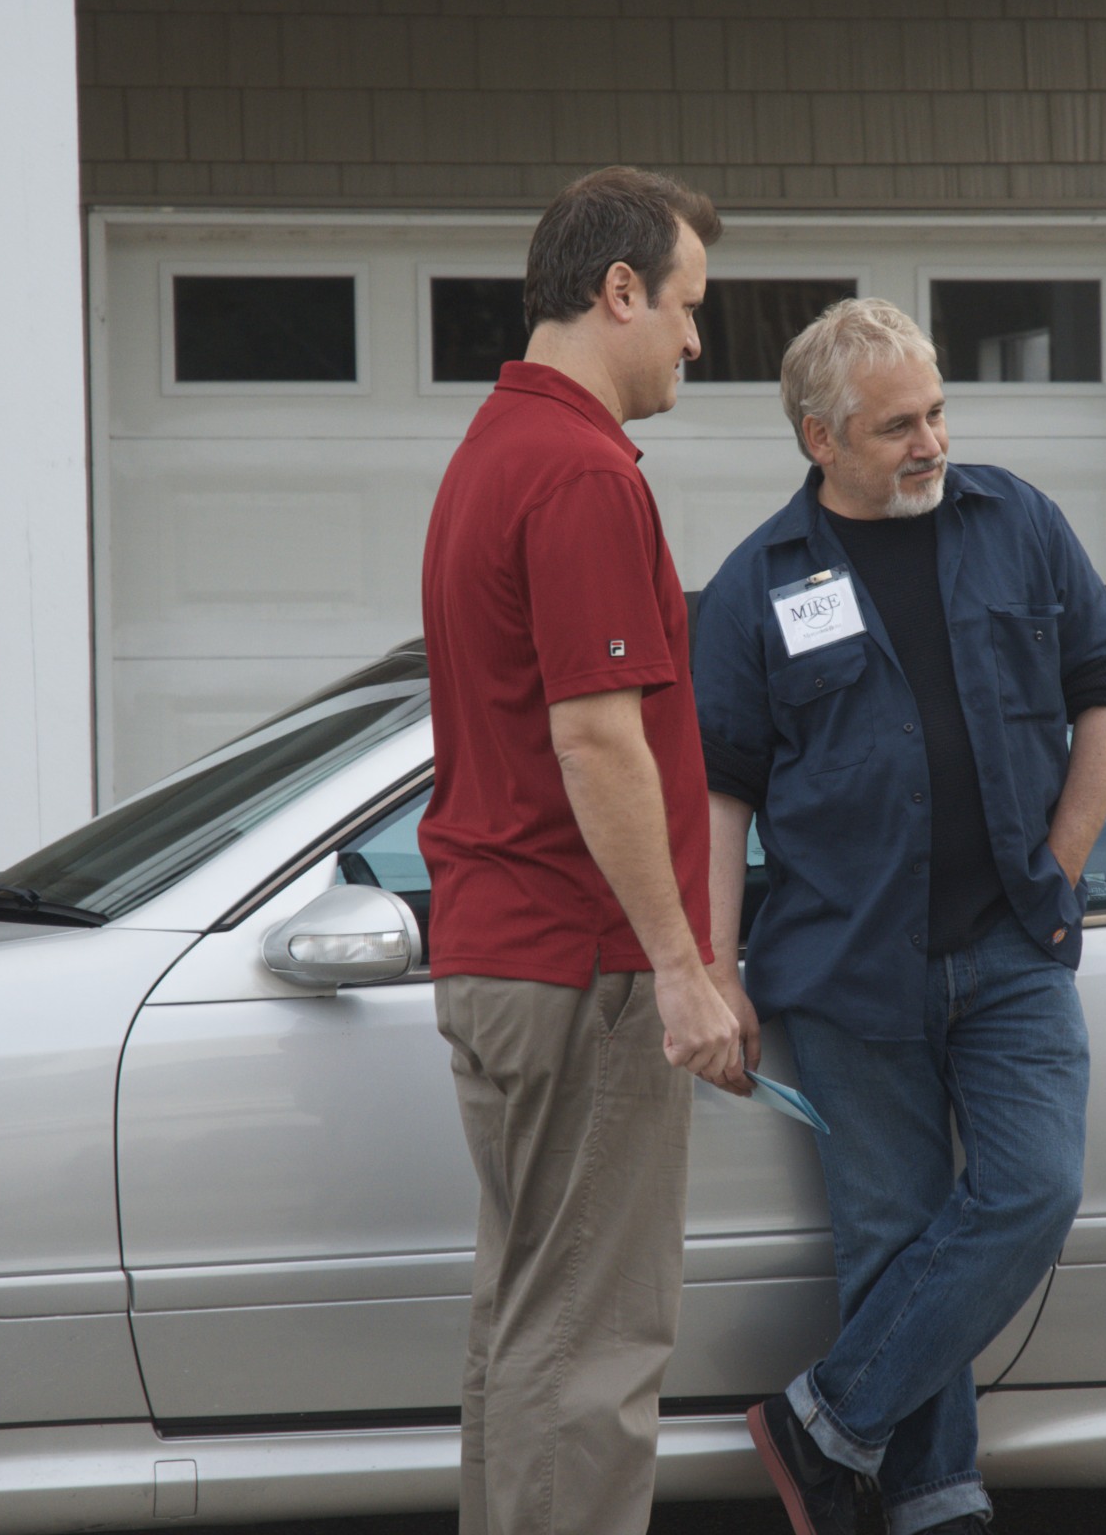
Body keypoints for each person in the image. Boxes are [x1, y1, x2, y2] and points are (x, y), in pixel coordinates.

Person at [692, 298, 1106, 1535]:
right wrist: (711, 964)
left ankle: (823, 1422)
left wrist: (1057, 865)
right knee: (891, 1240)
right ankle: (935, 1501)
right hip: (846, 963)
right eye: (898, 426)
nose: (930, 443)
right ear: (818, 438)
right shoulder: (757, 586)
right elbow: (722, 790)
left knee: (1033, 1190)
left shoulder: (1018, 523)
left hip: (1012, 945)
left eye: (937, 413)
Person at [417, 165, 751, 1535]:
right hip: (586, 964)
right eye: (686, 308)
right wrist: (683, 966)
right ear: (618, 292)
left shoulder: (493, 449)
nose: (693, 341)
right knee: (596, 1351)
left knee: (530, 1329)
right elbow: (599, 741)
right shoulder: (578, 473)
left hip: (506, 955)